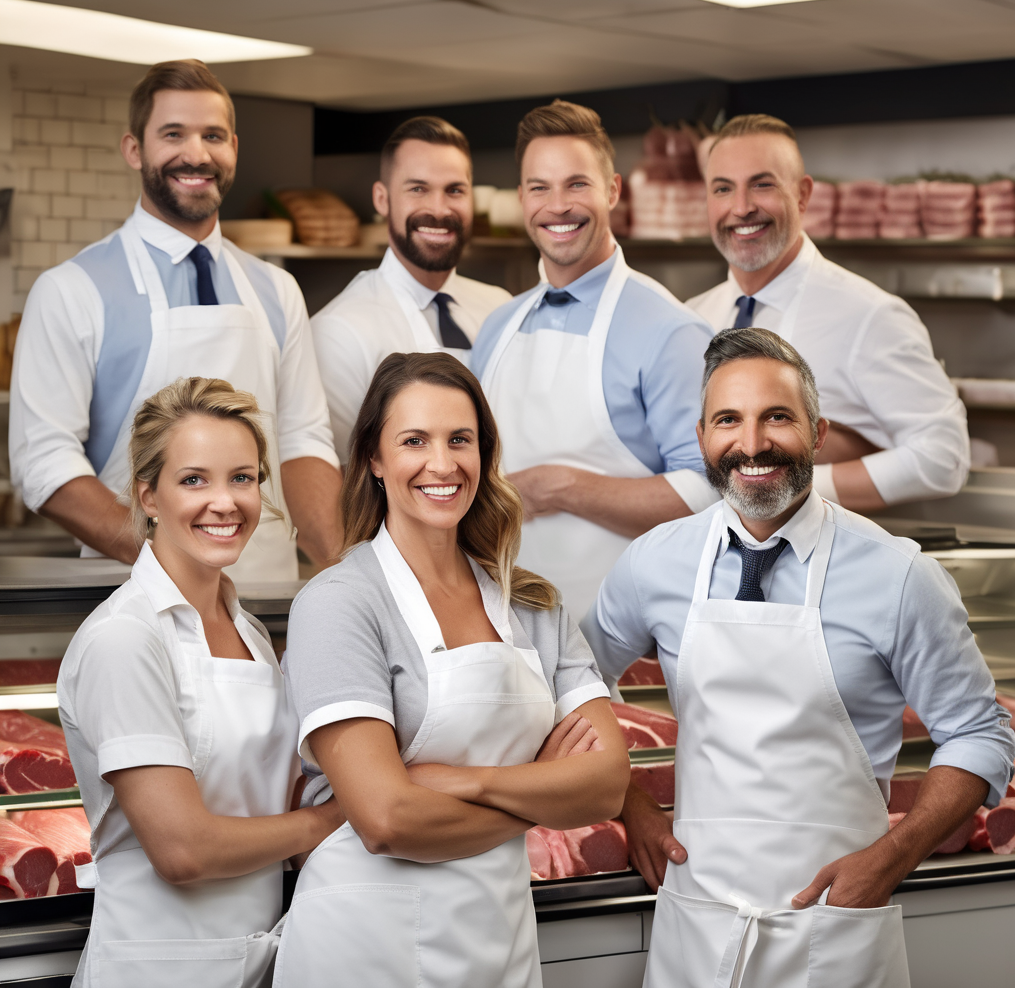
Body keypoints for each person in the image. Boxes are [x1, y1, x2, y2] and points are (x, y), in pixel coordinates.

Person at [581, 328, 1015, 988]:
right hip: (695, 925)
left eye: (776, 417)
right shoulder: (654, 561)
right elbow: (575, 684)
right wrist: (631, 806)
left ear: (816, 432)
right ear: (702, 438)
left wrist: (890, 860)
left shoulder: (897, 574)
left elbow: (979, 735)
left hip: (835, 933)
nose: (751, 444)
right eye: (729, 420)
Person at [274, 352, 630, 987]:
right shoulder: (337, 603)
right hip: (365, 945)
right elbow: (386, 821)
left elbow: (605, 783)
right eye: (414, 440)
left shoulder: (534, 604)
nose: (442, 464)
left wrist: (464, 781)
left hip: (500, 941)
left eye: (460, 440)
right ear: (374, 462)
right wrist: (542, 786)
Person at [57, 377, 343, 988]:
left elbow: (276, 793)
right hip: (152, 970)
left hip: (258, 959)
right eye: (194, 480)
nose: (225, 502)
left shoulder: (252, 634)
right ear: (148, 496)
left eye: (242, 477)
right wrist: (331, 820)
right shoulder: (125, 639)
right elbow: (183, 851)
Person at [10, 59, 342, 580]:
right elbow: (45, 463)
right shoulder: (72, 290)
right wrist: (169, 565)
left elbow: (303, 444)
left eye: (213, 135)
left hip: (268, 599)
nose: (197, 153)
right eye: (173, 134)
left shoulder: (277, 290)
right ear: (134, 149)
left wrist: (345, 573)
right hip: (136, 596)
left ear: (234, 146)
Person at [471, 100, 716, 621]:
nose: (557, 206)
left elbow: (711, 493)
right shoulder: (497, 328)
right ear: (521, 199)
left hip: (631, 638)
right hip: (504, 626)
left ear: (612, 190)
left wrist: (560, 488)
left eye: (576, 184)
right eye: (540, 187)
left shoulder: (670, 330)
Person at [688, 113, 970, 513]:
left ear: (802, 194)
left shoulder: (869, 314)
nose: (741, 207)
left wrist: (786, 484)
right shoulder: (690, 318)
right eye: (722, 189)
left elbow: (945, 457)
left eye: (762, 184)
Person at [312, 116, 510, 459]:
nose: (438, 209)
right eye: (418, 188)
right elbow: (348, 478)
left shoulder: (500, 308)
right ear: (382, 198)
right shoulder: (339, 331)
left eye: (455, 190)